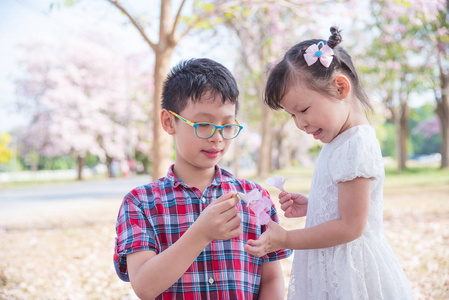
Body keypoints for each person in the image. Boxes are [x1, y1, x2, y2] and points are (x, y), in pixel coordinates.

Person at [244, 27, 414, 299]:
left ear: (340, 87)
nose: (300, 123)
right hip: (333, 261)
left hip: (351, 271)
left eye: (304, 110)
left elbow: (351, 226)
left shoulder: (356, 144)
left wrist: (286, 239)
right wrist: (316, 206)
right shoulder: (339, 141)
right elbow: (350, 207)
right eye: (292, 116)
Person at [114, 58, 292, 299]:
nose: (217, 137)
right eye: (204, 124)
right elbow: (144, 287)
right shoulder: (140, 203)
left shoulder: (254, 197)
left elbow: (271, 277)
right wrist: (201, 233)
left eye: (227, 126)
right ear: (169, 122)